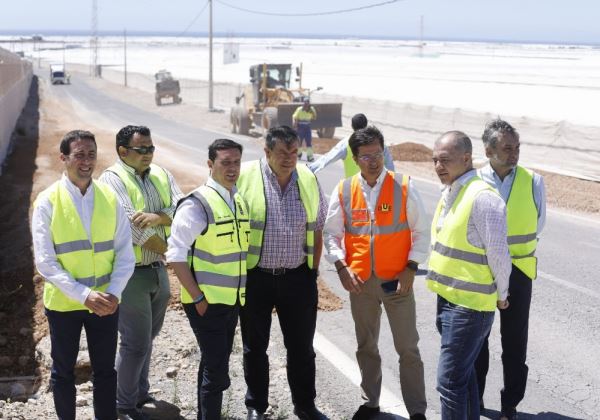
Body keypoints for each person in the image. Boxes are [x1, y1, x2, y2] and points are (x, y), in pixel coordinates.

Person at [323, 126, 429, 420]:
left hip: (398, 283)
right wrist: (341, 267)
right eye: (366, 156)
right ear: (355, 159)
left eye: (378, 153)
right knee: (366, 346)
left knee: (408, 349)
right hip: (360, 284)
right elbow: (331, 234)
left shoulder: (404, 185)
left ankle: (417, 411)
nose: (373, 160)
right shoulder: (345, 189)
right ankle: (371, 402)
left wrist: (411, 266)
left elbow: (421, 231)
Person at [31, 130, 135, 420]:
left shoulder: (110, 198)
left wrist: (113, 293)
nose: (86, 161)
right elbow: (46, 262)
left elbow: (125, 254)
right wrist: (84, 295)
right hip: (65, 305)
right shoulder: (47, 201)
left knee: (105, 371)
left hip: (106, 302)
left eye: (91, 154)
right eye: (79, 155)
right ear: (63, 158)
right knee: (63, 372)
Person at [236, 125, 328, 420]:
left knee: (302, 348)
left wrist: (312, 273)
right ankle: (256, 406)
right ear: (267, 152)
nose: (289, 158)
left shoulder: (309, 179)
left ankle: (305, 405)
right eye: (282, 153)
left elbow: (318, 228)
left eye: (294, 152)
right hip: (255, 277)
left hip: (298, 278)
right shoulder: (245, 176)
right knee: (255, 348)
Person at [99, 125, 183, 420]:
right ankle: (123, 406)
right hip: (130, 274)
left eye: (150, 148)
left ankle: (139, 393)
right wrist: (171, 252)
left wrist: (157, 216)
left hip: (157, 270)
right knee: (135, 342)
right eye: (141, 149)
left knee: (148, 338)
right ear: (123, 152)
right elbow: (130, 225)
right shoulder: (112, 179)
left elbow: (182, 209)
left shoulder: (161, 174)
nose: (148, 153)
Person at [427, 131, 511, 420]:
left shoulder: (483, 198)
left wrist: (502, 296)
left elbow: (500, 256)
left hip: (470, 307)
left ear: (466, 158)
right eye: (435, 160)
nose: (438, 166)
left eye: (445, 160)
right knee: (464, 378)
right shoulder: (451, 191)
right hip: (449, 299)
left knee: (449, 383)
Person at [166, 138, 249, 420]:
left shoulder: (237, 200)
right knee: (216, 369)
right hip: (206, 303)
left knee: (215, 362)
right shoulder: (197, 204)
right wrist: (198, 297)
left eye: (236, 162)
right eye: (225, 162)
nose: (232, 168)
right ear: (210, 164)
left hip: (230, 301)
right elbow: (175, 254)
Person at [474, 119, 546, 420]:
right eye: (507, 148)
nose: (514, 153)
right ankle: (473, 400)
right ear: (489, 150)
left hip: (518, 271)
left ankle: (510, 405)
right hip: (481, 271)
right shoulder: (473, 179)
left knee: (515, 343)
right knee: (477, 341)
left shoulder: (533, 181)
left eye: (517, 147)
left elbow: (539, 222)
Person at [308, 113, 394, 176]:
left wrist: (310, 169)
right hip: (375, 189)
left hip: (354, 191)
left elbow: (328, 159)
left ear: (352, 126)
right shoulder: (378, 143)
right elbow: (389, 166)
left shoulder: (346, 143)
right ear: (366, 124)